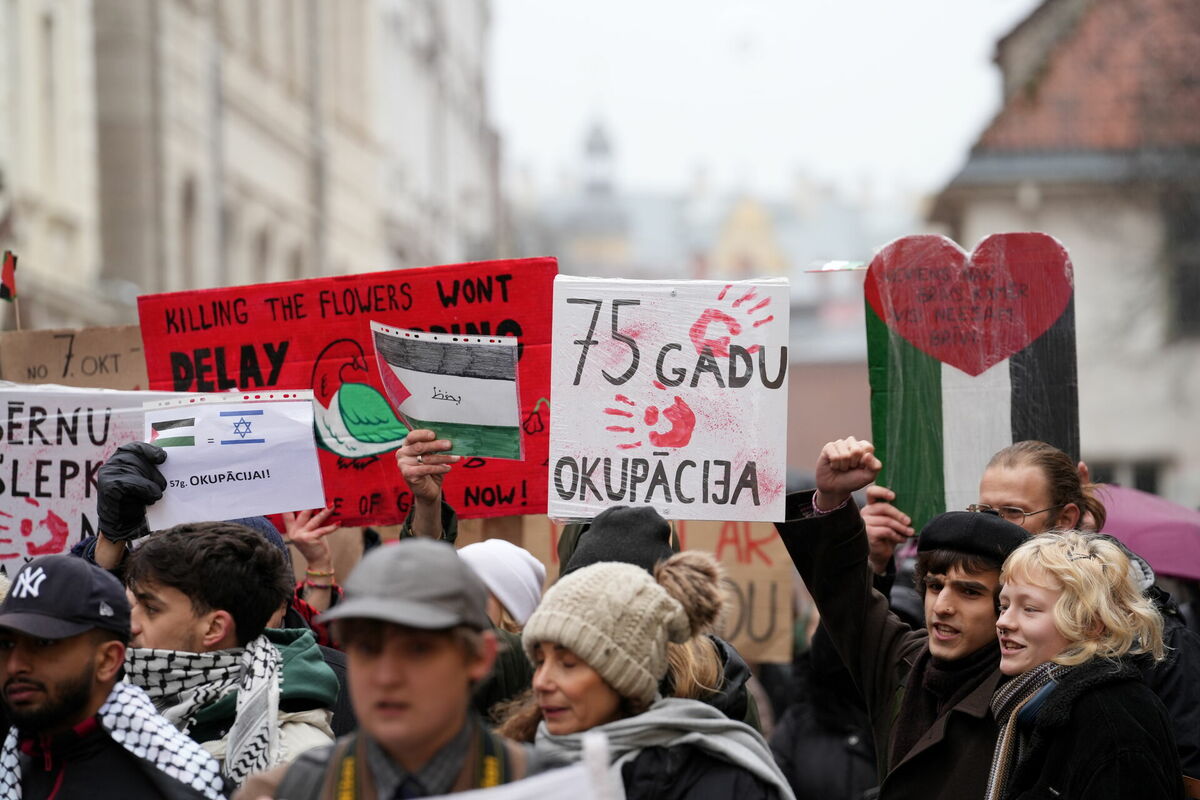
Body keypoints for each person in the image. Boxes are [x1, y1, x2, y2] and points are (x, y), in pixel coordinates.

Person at [866, 438, 1200, 778]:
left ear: (1066, 518)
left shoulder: (1158, 645)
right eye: (983, 511)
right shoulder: (1001, 640)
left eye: (1013, 513)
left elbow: (1181, 771)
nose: (990, 525)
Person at [398, 429, 760, 729]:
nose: (546, 682)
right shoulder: (534, 661)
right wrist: (428, 507)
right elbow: (437, 629)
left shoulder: (718, 684)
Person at [775, 436, 1030, 800]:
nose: (942, 605)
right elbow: (843, 592)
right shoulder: (903, 662)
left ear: (1006, 606)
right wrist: (831, 500)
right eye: (934, 585)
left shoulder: (1030, 694)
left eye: (969, 592)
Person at [235, 538, 530, 798]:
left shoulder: (553, 786)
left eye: (417, 650)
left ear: (480, 657)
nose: (386, 677)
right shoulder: (284, 791)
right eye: (367, 649)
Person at [506, 550, 794, 800]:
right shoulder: (511, 769)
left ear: (625, 675)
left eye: (568, 663)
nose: (541, 682)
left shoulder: (725, 785)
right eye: (540, 661)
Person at [122, 521, 339, 788]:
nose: (130, 624)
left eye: (151, 609)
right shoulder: (115, 707)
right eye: (132, 606)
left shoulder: (295, 761)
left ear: (214, 628)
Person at [0, 555, 227, 800]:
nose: (15, 665)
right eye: (6, 644)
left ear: (107, 660)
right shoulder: (17, 762)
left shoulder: (170, 784)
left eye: (44, 643)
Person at [986, 531, 1182, 799]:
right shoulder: (1039, 700)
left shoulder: (1113, 720)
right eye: (1004, 605)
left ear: (1090, 623)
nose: (1003, 622)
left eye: (1029, 608)